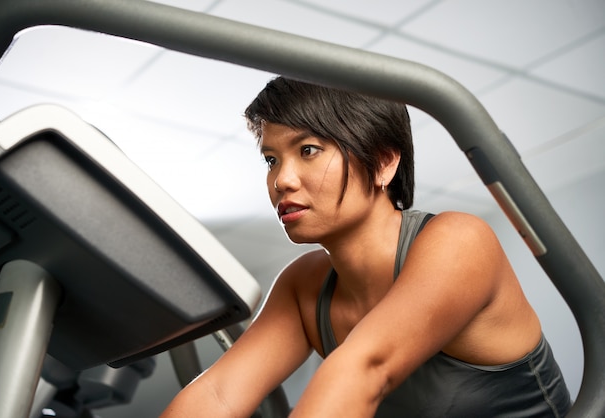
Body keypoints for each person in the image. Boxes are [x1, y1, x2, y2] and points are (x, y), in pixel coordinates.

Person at [160, 77, 572, 417]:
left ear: (383, 163)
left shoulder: (459, 241)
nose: (282, 180)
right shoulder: (304, 286)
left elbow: (363, 370)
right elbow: (217, 395)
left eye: (308, 151)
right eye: (271, 159)